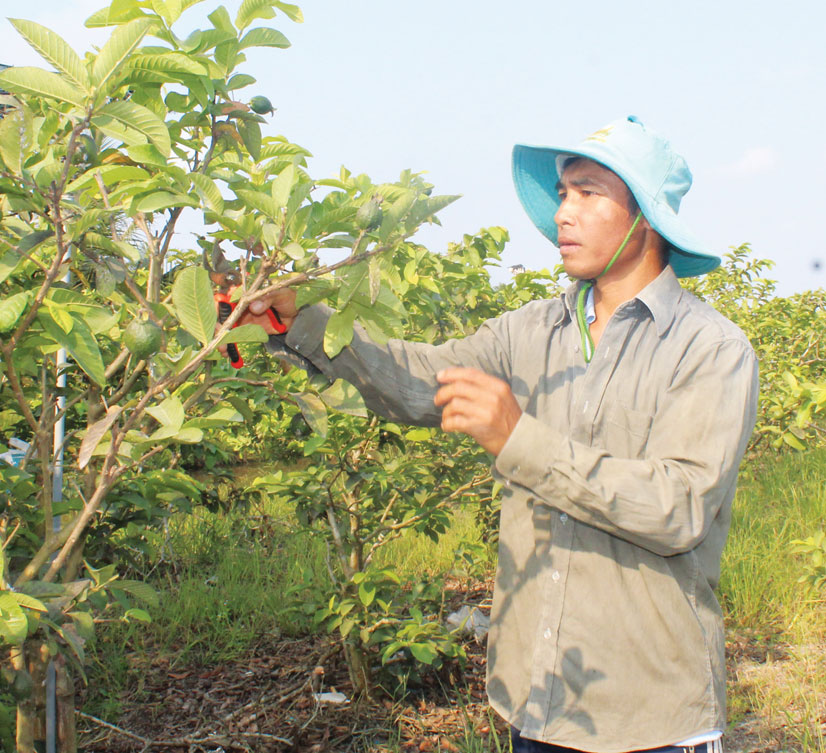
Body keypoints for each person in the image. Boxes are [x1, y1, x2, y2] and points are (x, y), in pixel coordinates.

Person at [242, 116, 759, 753]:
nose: (564, 212)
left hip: (647, 712)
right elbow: (417, 379)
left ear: (645, 217)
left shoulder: (710, 349)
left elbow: (676, 508)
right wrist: (305, 321)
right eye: (564, 192)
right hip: (535, 695)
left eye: (588, 192)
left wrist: (519, 438)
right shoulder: (528, 332)